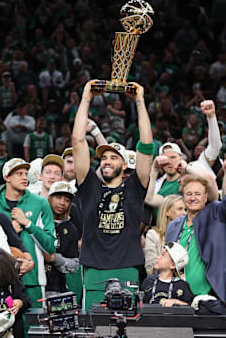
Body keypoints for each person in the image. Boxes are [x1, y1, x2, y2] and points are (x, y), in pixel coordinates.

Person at [72, 81, 154, 309]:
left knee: (127, 328)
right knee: (91, 329)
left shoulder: (134, 188)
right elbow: (78, 142)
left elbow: (147, 145)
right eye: (104, 158)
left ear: (125, 164)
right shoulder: (90, 187)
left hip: (127, 266)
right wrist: (86, 96)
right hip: (94, 267)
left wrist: (139, 101)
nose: (106, 161)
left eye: (113, 157)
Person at [0, 158, 56, 306]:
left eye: (26, 173)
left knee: (34, 328)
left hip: (33, 280)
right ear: (6, 177)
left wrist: (28, 223)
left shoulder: (40, 203)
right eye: (19, 173)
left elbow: (51, 246)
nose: (25, 177)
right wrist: (9, 230)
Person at [166, 174, 226, 299]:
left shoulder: (215, 215)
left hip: (208, 297)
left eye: (197, 194)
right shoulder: (173, 225)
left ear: (205, 197)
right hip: (176, 296)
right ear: (183, 197)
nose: (193, 198)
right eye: (188, 194)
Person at [45, 181, 82, 304]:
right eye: (58, 197)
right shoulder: (37, 221)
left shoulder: (71, 229)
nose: (62, 203)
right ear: (50, 198)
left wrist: (54, 258)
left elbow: (74, 265)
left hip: (57, 289)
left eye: (67, 200)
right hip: (33, 285)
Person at [142, 242, 194, 306]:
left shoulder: (182, 286)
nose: (158, 257)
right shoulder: (148, 281)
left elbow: (190, 307)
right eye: (160, 254)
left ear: (173, 265)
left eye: (163, 255)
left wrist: (176, 302)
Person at [144, 195, 186, 275]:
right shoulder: (153, 235)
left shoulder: (186, 234)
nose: (184, 213)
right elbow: (150, 269)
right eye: (180, 209)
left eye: (185, 209)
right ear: (167, 212)